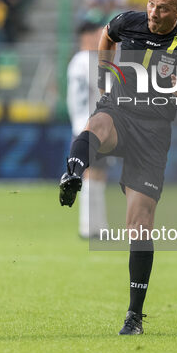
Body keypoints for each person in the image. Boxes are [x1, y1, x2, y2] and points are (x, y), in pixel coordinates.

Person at [59, 0, 177, 335]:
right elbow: (106, 37)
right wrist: (103, 78)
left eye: (162, 8)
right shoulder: (128, 21)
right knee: (96, 123)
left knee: (140, 225)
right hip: (120, 113)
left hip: (154, 133)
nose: (154, 13)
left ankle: (134, 316)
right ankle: (73, 174)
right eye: (151, 4)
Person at [66, 20, 109, 239]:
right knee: (93, 175)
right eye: (96, 35)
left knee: (98, 175)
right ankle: (89, 227)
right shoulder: (90, 61)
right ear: (86, 36)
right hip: (93, 125)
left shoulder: (75, 61)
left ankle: (98, 226)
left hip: (81, 123)